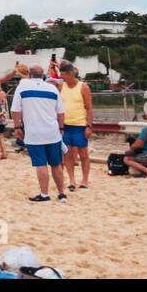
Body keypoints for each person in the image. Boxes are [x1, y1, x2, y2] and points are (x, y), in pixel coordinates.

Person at [11, 65, 68, 202]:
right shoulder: (52, 88)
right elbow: (60, 112)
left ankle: (44, 194)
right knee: (56, 164)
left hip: (33, 132)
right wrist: (61, 128)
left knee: (41, 164)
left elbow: (15, 110)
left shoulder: (22, 88)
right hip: (52, 132)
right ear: (43, 75)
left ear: (29, 75)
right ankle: (61, 193)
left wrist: (17, 126)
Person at [58, 62, 93, 190]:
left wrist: (89, 126)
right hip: (66, 125)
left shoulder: (83, 87)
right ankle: (72, 180)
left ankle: (85, 180)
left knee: (83, 154)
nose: (62, 77)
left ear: (70, 74)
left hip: (80, 125)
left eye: (63, 75)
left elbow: (89, 108)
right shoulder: (61, 87)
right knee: (67, 154)